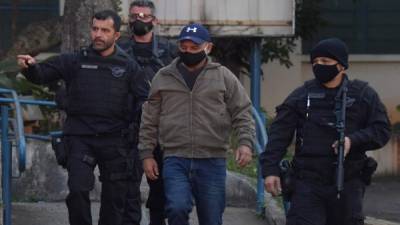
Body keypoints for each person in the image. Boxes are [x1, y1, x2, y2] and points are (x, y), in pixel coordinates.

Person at [17, 10, 147, 225]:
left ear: (116, 35)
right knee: (77, 190)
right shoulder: (76, 60)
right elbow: (42, 73)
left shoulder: (129, 66)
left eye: (105, 30)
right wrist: (30, 68)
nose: (98, 34)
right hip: (80, 137)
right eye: (95, 29)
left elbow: (145, 100)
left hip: (115, 140)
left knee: (114, 200)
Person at [260, 38, 391, 225]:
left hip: (348, 183)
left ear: (342, 66)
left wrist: (352, 141)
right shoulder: (302, 95)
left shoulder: (363, 95)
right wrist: (270, 170)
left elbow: (381, 130)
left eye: (326, 62)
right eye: (315, 62)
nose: (319, 66)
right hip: (308, 183)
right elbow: (279, 134)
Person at [138, 23, 256, 225]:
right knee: (176, 208)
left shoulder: (223, 76)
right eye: (184, 47)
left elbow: (242, 110)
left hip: (212, 160)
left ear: (208, 48)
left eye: (194, 48)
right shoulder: (163, 77)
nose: (188, 52)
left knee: (211, 218)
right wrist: (147, 154)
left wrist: (245, 142)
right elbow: (149, 119)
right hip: (175, 158)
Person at [118, 1, 177, 224]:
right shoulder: (118, 49)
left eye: (144, 15)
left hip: (162, 129)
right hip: (127, 127)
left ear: (154, 20)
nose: (139, 19)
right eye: (134, 15)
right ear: (129, 19)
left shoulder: (171, 51)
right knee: (127, 189)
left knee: (161, 190)